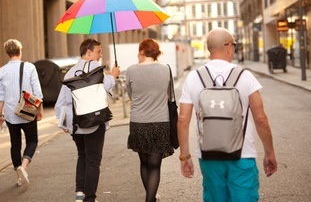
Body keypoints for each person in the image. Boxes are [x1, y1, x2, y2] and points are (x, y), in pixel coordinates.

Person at [178, 28, 278, 201]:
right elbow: (260, 119)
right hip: (242, 154)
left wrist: (185, 156)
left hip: (208, 155)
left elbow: (182, 120)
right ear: (229, 47)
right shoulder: (245, 76)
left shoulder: (193, 77)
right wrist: (269, 153)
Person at [54, 38, 120, 202]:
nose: (100, 54)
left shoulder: (70, 72)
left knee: (82, 155)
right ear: (88, 52)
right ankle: (90, 198)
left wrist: (62, 121)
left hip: (75, 124)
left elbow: (61, 101)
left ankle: (80, 193)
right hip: (93, 122)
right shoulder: (94, 67)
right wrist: (113, 75)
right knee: (93, 160)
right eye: (98, 51)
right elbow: (105, 86)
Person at [125, 38, 174, 202]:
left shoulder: (131, 70)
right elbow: (169, 94)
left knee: (144, 163)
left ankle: (151, 198)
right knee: (155, 166)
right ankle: (150, 199)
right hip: (160, 122)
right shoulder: (166, 69)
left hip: (139, 123)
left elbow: (130, 95)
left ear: (141, 51)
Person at [0, 39, 43, 189]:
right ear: (20, 51)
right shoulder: (29, 67)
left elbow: (0, 96)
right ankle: (24, 165)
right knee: (32, 141)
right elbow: (37, 92)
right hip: (28, 111)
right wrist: (40, 110)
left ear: (7, 53)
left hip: (10, 113)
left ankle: (18, 176)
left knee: (15, 144)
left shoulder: (1, 71)